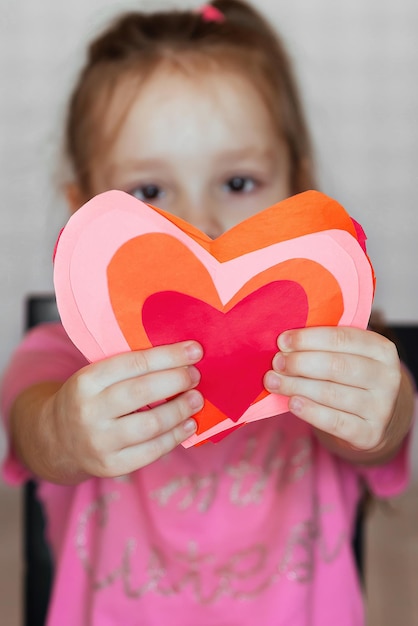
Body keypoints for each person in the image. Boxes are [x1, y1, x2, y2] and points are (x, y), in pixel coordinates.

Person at [1, 1, 415, 624]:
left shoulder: (323, 343)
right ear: (85, 212)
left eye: (239, 182)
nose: (199, 228)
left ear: (299, 193)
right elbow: (31, 430)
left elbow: (384, 437)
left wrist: (379, 412)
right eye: (150, 192)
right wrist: (63, 430)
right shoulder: (63, 357)